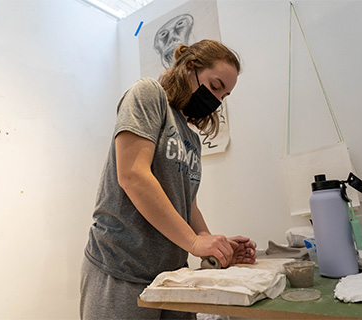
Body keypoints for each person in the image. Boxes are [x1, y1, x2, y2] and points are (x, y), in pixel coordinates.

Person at [80, 39, 257, 320]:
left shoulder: (191, 138)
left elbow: (188, 206)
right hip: (122, 267)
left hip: (172, 275)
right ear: (190, 68)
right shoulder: (149, 94)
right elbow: (133, 176)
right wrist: (194, 243)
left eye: (224, 96)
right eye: (214, 86)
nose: (216, 100)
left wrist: (213, 247)